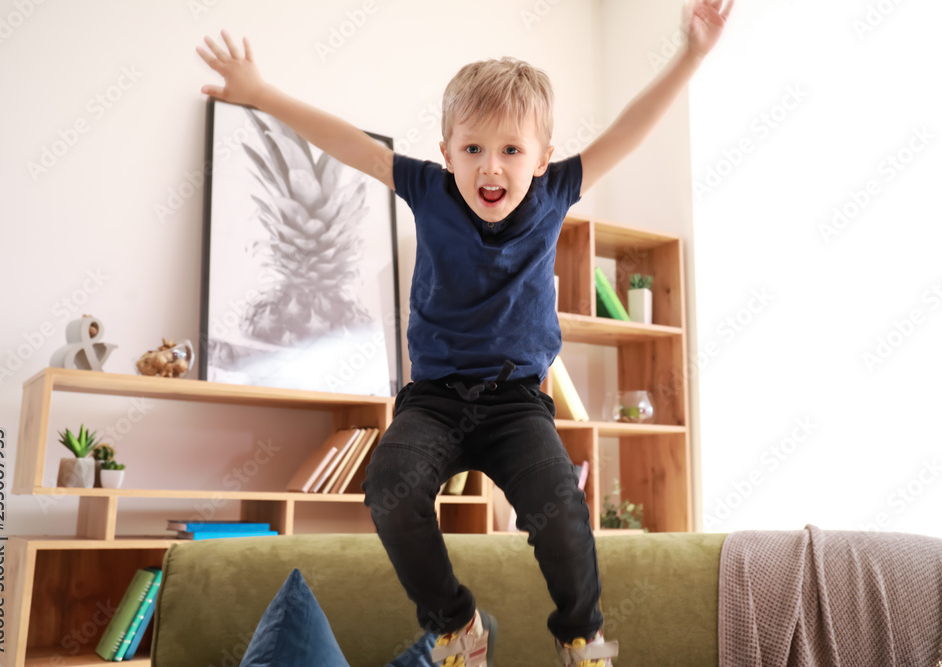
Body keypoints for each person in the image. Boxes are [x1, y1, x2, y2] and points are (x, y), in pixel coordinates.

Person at [197, 2, 731, 664]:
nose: (491, 168)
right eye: (473, 148)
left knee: (560, 506)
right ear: (446, 149)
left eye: (511, 150)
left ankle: (580, 636)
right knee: (389, 485)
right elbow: (345, 141)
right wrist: (260, 93)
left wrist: (692, 54)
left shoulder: (555, 193)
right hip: (436, 399)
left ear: (542, 158)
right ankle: (457, 625)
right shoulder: (427, 189)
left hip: (516, 404)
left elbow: (630, 130)